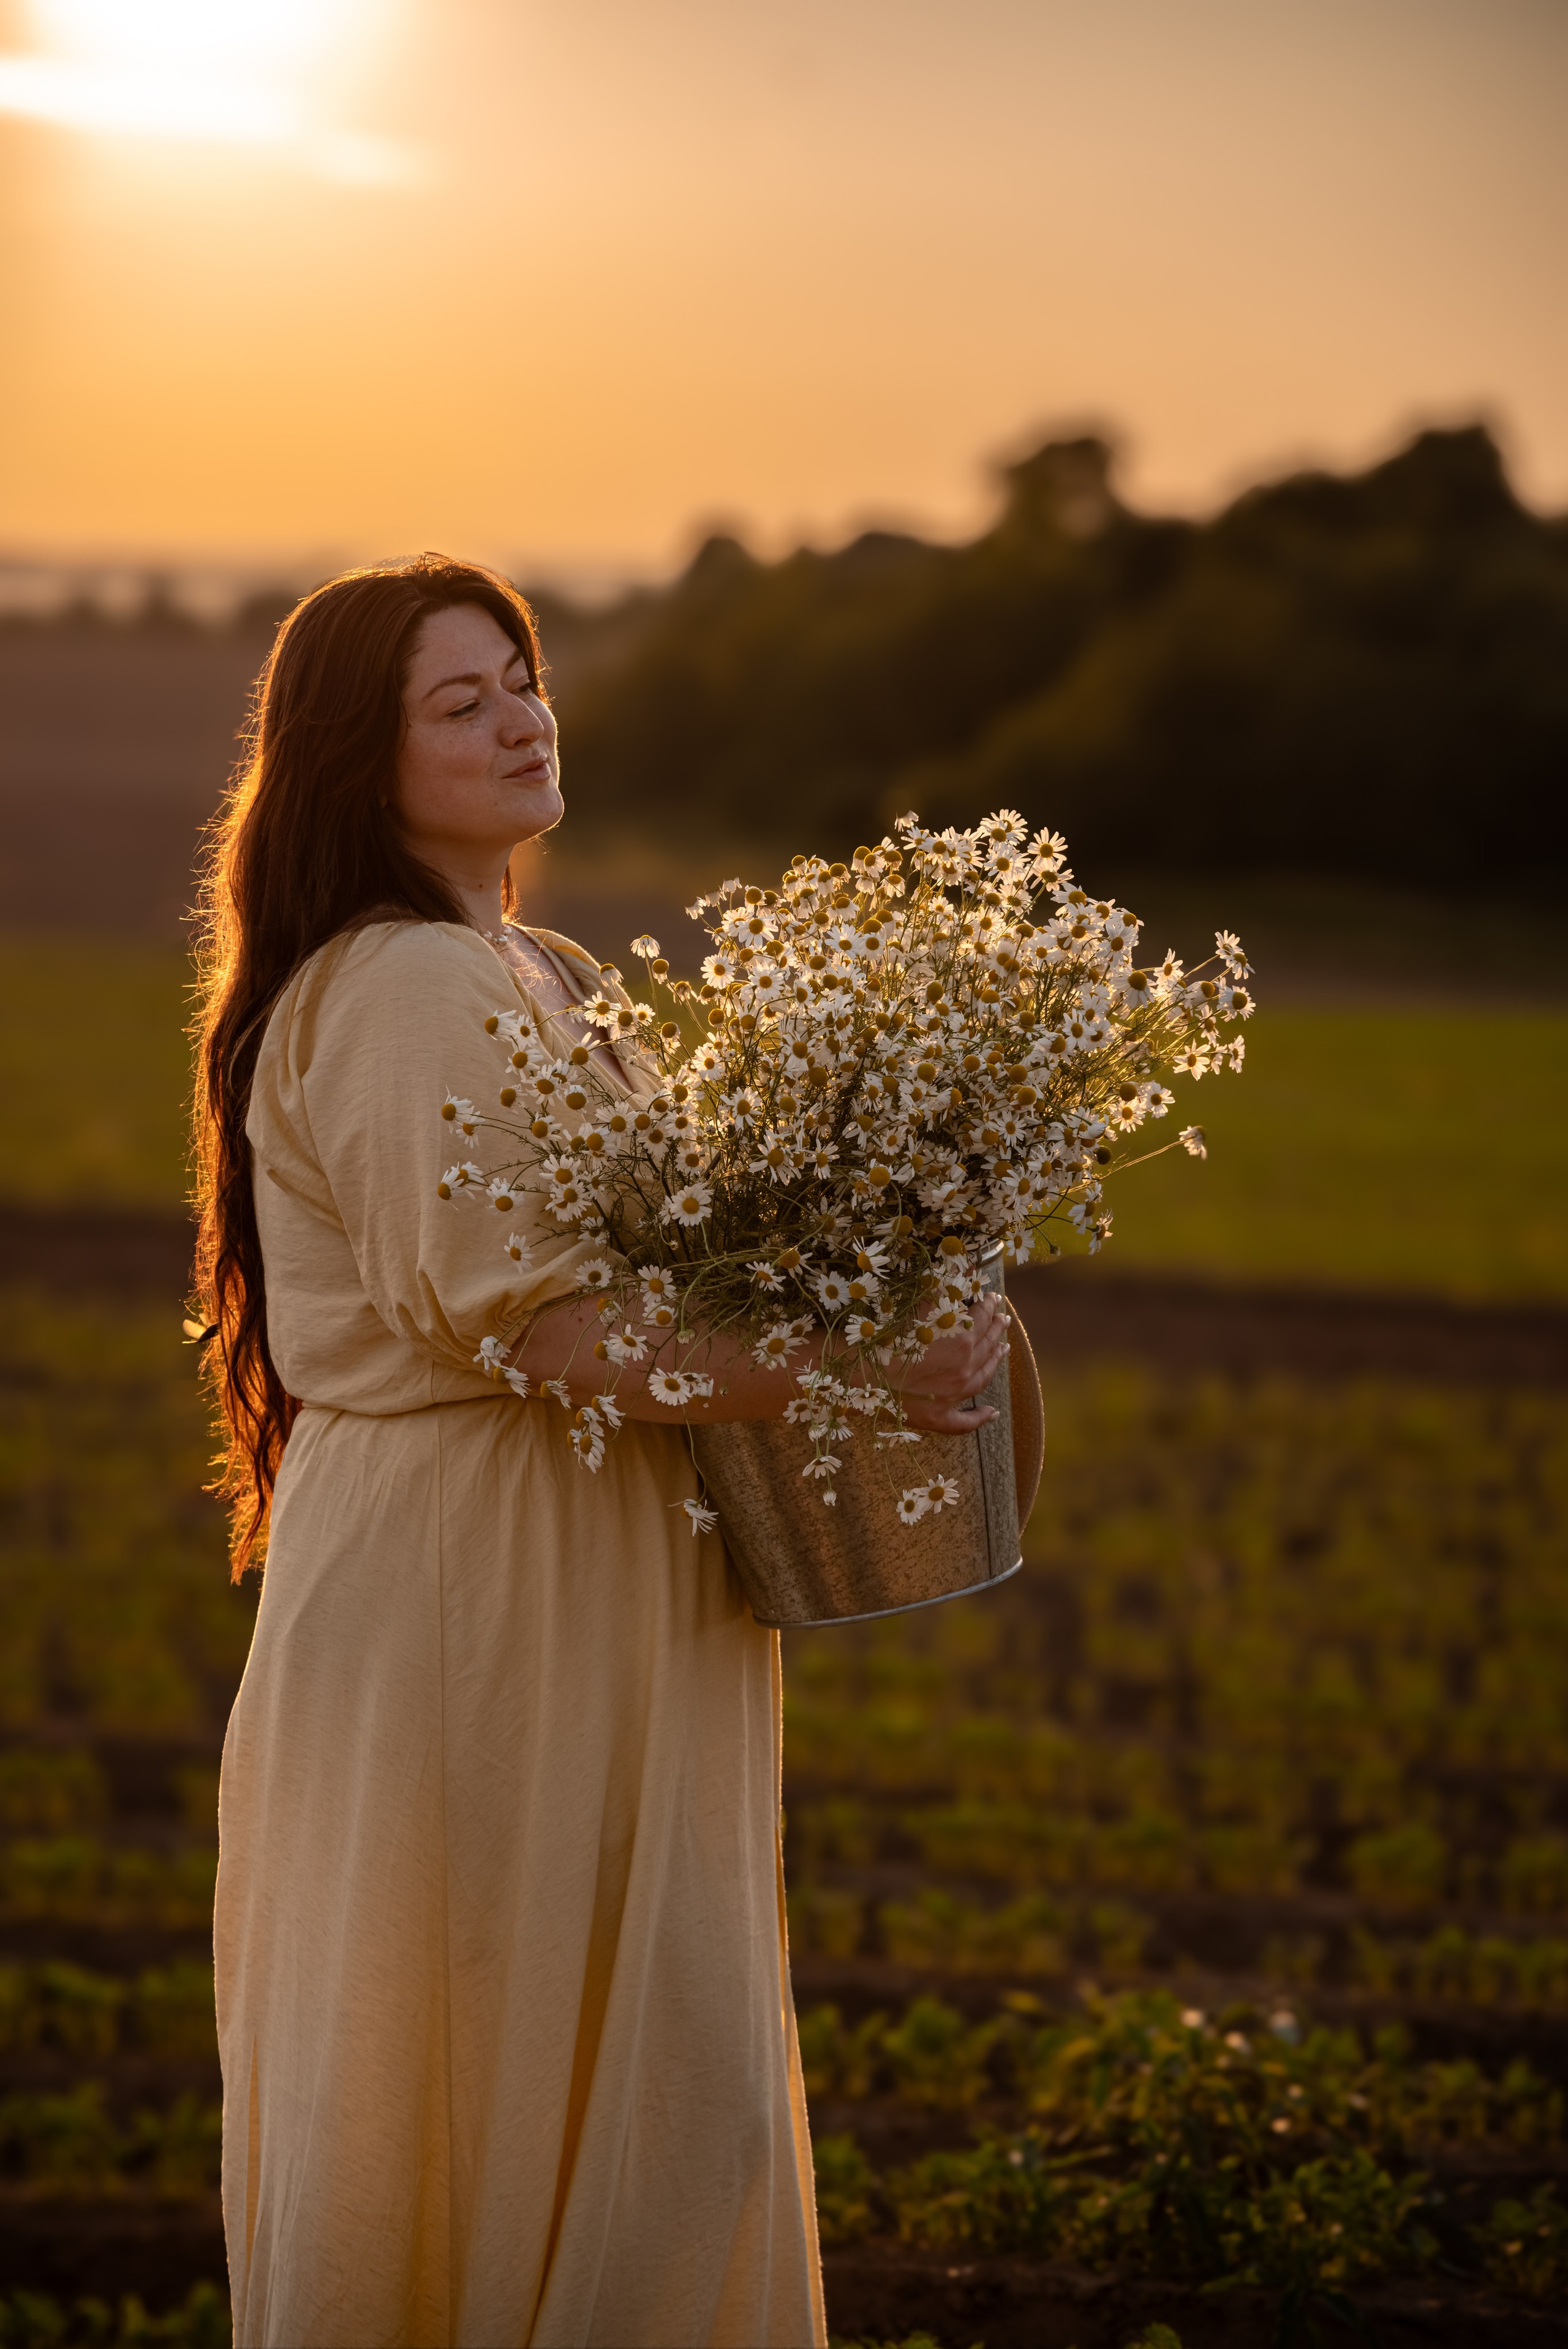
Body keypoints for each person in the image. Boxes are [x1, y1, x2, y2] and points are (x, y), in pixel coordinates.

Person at [192, 554, 1007, 2349]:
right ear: (355, 756)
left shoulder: (534, 965)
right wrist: (844, 1364)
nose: (520, 718)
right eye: (458, 701)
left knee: (635, 2074)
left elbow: (660, 1277)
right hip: (483, 1600)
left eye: (524, 676)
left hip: (590, 1586)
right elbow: (544, 1323)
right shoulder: (406, 983)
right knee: (510, 2070)